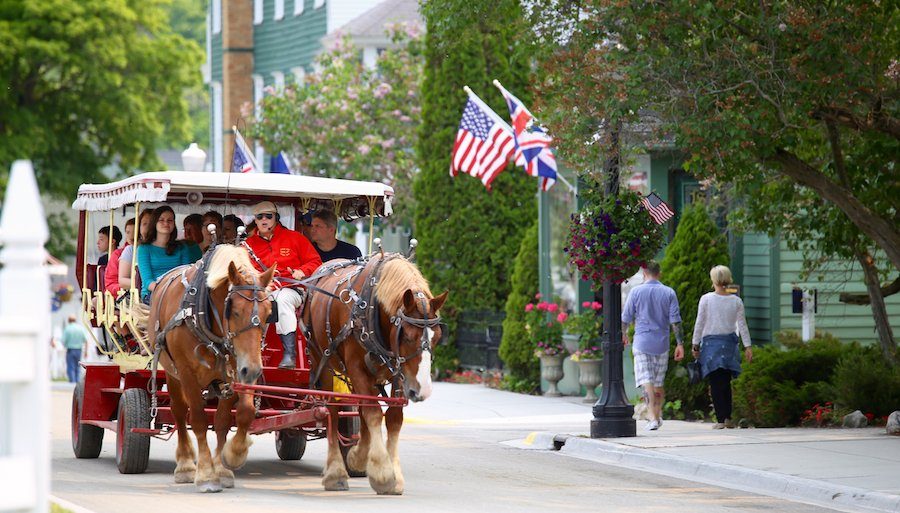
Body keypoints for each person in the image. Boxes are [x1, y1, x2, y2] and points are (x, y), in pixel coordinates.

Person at [245, 201, 322, 368]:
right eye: (260, 217)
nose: (264, 219)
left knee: (281, 299)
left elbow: (316, 261)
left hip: (292, 290)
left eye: (268, 216)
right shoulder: (248, 245)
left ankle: (289, 354)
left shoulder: (295, 238)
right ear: (255, 221)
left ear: (276, 218)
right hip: (260, 293)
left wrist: (302, 271)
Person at [622, 260, 684, 431]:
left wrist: (624, 334)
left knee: (646, 380)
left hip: (642, 342)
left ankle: (652, 417)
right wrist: (680, 344)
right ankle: (657, 415)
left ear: (644, 273)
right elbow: (676, 321)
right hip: (662, 343)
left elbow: (625, 317)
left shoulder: (636, 292)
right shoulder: (669, 292)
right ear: (659, 273)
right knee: (657, 382)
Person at [691, 265, 753, 430]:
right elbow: (742, 326)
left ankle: (720, 419)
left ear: (713, 280)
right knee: (725, 381)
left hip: (711, 346)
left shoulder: (706, 299)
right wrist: (748, 346)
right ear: (728, 279)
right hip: (728, 345)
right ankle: (727, 417)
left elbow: (700, 322)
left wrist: (695, 343)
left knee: (715, 382)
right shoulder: (736, 301)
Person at [136, 206, 202, 304]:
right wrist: (166, 291)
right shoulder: (144, 249)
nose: (166, 223)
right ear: (155, 223)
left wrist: (175, 291)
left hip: (177, 292)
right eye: (161, 220)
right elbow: (147, 281)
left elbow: (186, 274)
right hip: (152, 293)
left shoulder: (182, 247)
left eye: (170, 220)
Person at [118, 209, 153, 293]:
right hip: (139, 293)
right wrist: (142, 282)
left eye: (151, 224)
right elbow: (122, 281)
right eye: (144, 224)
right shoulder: (131, 250)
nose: (148, 227)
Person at [104, 217, 135, 297]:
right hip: (124, 295)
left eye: (135, 232)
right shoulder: (117, 254)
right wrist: (125, 289)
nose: (132, 236)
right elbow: (110, 283)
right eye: (128, 232)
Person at [61, 315, 87, 383]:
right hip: (79, 350)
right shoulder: (80, 328)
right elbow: (86, 340)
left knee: (71, 367)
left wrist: (65, 345)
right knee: (77, 367)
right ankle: (77, 382)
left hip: (70, 350)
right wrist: (86, 352)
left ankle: (72, 383)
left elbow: (63, 341)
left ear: (69, 320)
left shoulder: (67, 328)